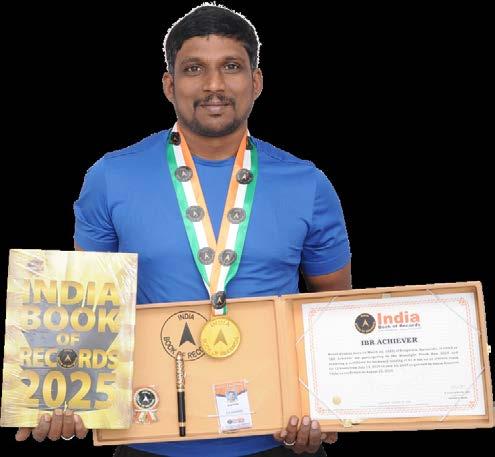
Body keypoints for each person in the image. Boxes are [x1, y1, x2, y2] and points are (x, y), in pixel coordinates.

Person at [15, 4, 351, 456]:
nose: (214, 85)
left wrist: (328, 408)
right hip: (148, 439)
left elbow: (332, 311)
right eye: (194, 69)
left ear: (256, 82)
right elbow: (85, 311)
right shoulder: (111, 177)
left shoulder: (307, 183)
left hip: (279, 439)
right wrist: (60, 397)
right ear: (169, 85)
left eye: (231, 67)